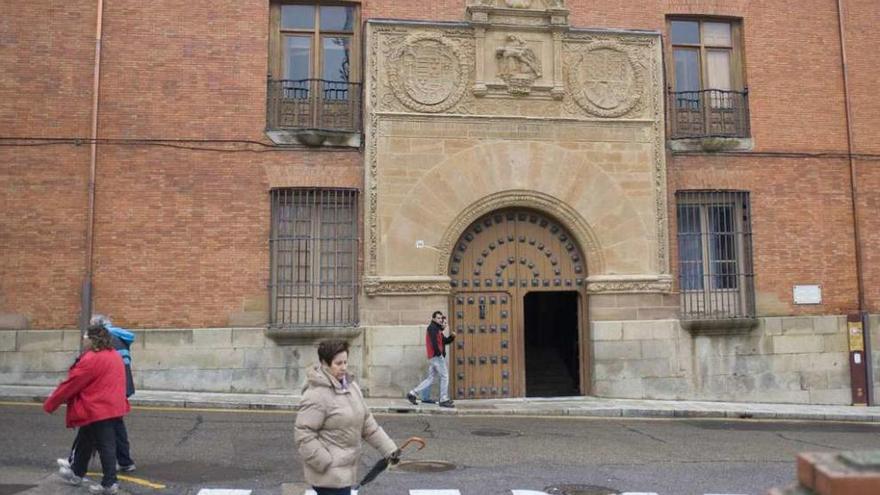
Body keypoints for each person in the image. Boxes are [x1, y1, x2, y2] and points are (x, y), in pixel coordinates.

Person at [294, 340, 400, 495]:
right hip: (329, 477)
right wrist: (325, 462)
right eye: (338, 363)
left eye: (345, 362)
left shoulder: (351, 386)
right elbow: (303, 434)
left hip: (345, 473)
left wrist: (389, 449)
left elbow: (367, 424)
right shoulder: (316, 395)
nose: (344, 367)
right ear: (324, 363)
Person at [44, 323, 131, 495]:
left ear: (93, 339)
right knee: (85, 441)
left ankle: (109, 483)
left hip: (98, 408)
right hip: (111, 406)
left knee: (106, 445)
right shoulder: (113, 355)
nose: (83, 340)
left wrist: (51, 403)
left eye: (85, 337)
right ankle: (77, 473)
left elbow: (71, 384)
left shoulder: (91, 358)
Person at [57, 314, 137, 473]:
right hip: (119, 388)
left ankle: (82, 466)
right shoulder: (118, 338)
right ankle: (124, 462)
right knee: (114, 427)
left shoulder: (107, 341)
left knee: (94, 430)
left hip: (108, 392)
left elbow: (90, 366)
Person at [407, 311, 456, 408]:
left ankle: (412, 393)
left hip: (434, 357)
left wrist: (451, 336)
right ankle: (443, 399)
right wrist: (438, 354)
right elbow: (434, 342)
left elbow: (444, 341)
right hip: (436, 357)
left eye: (441, 318)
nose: (440, 320)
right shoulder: (432, 328)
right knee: (445, 376)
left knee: (431, 378)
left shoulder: (437, 329)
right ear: (433, 319)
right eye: (438, 318)